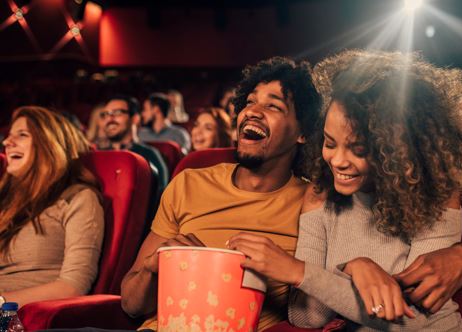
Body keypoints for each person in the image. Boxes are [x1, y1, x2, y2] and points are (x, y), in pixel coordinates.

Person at [228, 50, 462, 330]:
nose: (337, 161)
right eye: (329, 142)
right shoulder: (319, 195)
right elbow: (308, 317)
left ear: (397, 150)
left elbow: (414, 321)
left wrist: (300, 270)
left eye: (358, 149)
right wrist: (350, 267)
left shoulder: (437, 193)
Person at [120, 57, 321, 331]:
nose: (253, 112)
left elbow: (312, 313)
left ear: (303, 133)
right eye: (249, 102)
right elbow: (131, 305)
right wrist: (153, 267)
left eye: (273, 105)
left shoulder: (311, 203)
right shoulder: (188, 183)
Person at [0, 106, 104, 307]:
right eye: (8, 136)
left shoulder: (79, 198)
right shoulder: (7, 199)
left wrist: (2, 303)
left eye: (22, 135)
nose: (7, 142)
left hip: (17, 317)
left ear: (49, 144)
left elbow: (73, 286)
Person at [99, 95, 169, 193]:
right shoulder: (98, 155)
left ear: (135, 118)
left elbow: (161, 195)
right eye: (105, 114)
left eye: (117, 113)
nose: (109, 119)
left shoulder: (149, 155)